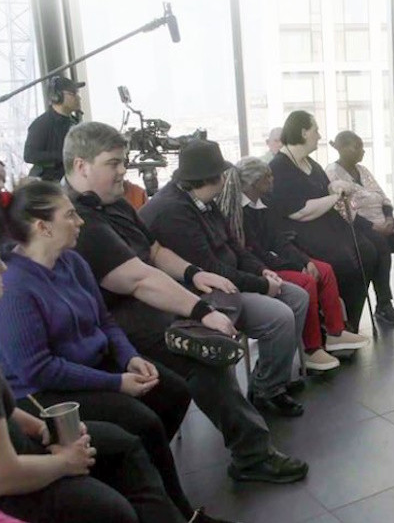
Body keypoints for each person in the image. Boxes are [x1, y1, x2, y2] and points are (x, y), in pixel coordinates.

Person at [62, 120, 308, 484]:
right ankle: (251, 454)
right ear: (81, 166)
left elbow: (155, 251)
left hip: (148, 300)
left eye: (123, 161)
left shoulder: (114, 203)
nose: (123, 170)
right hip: (115, 316)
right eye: (113, 163)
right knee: (203, 356)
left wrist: (193, 274)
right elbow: (137, 279)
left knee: (206, 343)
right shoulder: (80, 217)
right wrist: (201, 310)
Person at [0, 181, 236, 523]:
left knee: (174, 393)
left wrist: (129, 358)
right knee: (144, 425)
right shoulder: (17, 288)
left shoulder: (73, 262)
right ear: (43, 227)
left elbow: (105, 321)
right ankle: (176, 511)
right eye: (70, 215)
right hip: (45, 390)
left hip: (93, 366)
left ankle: (140, 484)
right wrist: (116, 383)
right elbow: (39, 369)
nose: (80, 221)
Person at [139, 140, 309, 416]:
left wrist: (261, 271)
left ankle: (268, 379)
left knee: (297, 297)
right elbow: (210, 270)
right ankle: (268, 391)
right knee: (280, 316)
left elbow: (234, 247)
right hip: (207, 296)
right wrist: (262, 285)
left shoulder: (205, 202)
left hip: (231, 283)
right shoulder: (173, 211)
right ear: (212, 178)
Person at [217, 157, 369, 372]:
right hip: (259, 267)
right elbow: (254, 252)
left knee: (324, 270)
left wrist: (304, 260)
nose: (272, 179)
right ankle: (311, 348)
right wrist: (296, 266)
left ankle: (335, 332)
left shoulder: (266, 204)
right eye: (267, 177)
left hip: (275, 259)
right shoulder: (237, 213)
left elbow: (278, 239)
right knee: (306, 282)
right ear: (254, 182)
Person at [267, 110, 394, 331]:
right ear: (303, 132)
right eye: (315, 130)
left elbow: (324, 190)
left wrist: (335, 187)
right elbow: (298, 212)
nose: (319, 136)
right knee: (347, 261)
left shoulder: (311, 164)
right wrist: (334, 197)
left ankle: (353, 319)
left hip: (327, 223)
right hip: (302, 230)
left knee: (371, 249)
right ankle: (335, 323)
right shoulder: (279, 167)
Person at [326, 131, 394, 306]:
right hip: (358, 227)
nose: (363, 151)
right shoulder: (332, 173)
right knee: (380, 244)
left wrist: (389, 220)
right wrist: (375, 227)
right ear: (344, 149)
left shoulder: (363, 170)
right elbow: (342, 210)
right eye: (358, 147)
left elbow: (383, 197)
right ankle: (384, 304)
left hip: (382, 221)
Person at [24, 76, 85, 181]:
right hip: (50, 182)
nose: (78, 97)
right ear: (57, 96)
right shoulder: (42, 123)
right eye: (73, 93)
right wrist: (64, 156)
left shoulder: (74, 122)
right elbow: (30, 155)